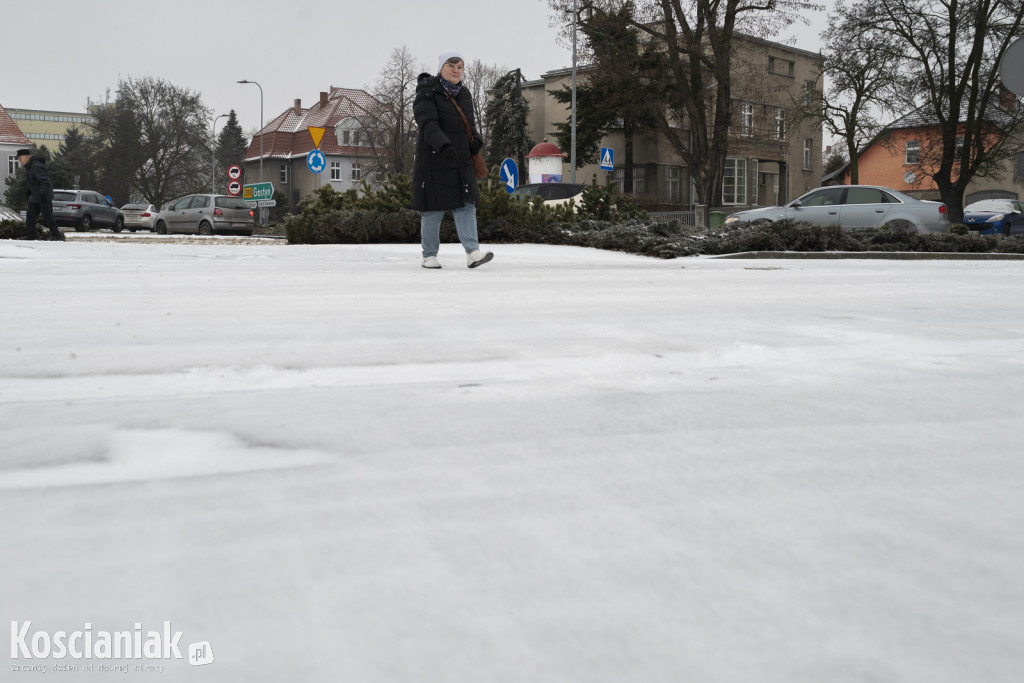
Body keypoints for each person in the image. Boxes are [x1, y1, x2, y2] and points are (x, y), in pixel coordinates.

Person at [411, 49, 493, 269]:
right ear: (441, 68)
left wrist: (476, 140)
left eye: (460, 67)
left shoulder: (464, 94)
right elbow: (427, 123)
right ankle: (429, 255)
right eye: (451, 66)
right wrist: (443, 145)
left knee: (467, 205)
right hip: (435, 158)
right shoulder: (427, 92)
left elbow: (471, 124)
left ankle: (473, 253)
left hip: (461, 159)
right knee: (433, 209)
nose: (456, 71)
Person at [16, 148, 65, 241]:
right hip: (34, 197)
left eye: (20, 158)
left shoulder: (36, 166)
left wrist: (42, 193)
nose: (19, 160)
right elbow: (33, 182)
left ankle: (57, 236)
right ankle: (30, 236)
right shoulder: (29, 166)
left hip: (43, 196)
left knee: (48, 216)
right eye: (18, 158)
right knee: (30, 216)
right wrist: (29, 192)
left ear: (27, 156)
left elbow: (44, 181)